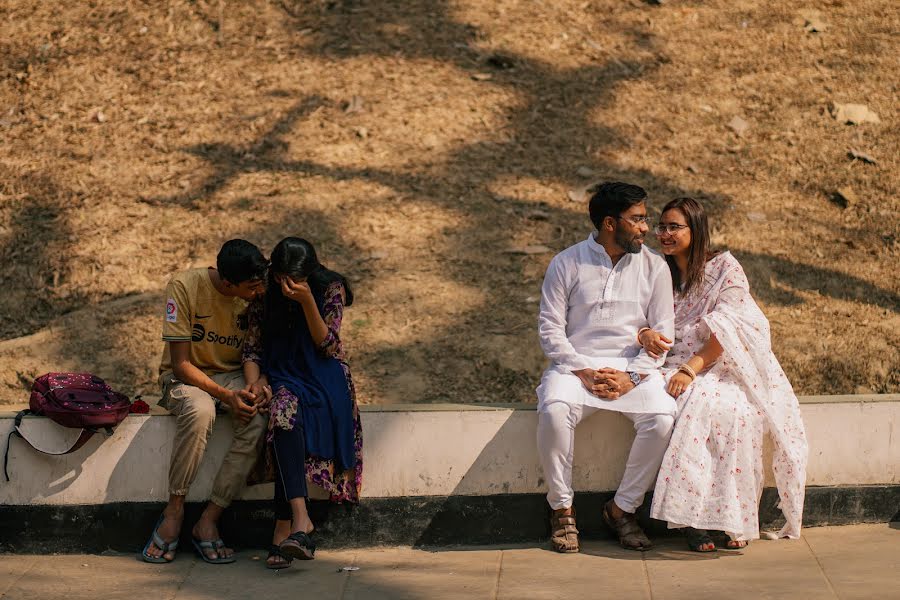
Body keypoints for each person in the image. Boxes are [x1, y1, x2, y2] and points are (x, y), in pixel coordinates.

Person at [640, 197, 808, 551]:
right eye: (662, 227)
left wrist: (691, 369)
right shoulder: (656, 270)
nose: (665, 234)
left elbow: (730, 328)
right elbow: (635, 316)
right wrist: (646, 335)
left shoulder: (724, 268)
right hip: (669, 362)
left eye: (674, 227)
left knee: (737, 413)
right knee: (697, 409)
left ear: (696, 229)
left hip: (716, 362)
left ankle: (730, 517)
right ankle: (694, 521)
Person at [536, 182, 677, 552]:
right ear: (610, 224)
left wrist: (632, 377)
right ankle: (562, 510)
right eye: (639, 220)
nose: (647, 228)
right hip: (575, 368)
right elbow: (550, 331)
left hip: (632, 369)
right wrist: (582, 370)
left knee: (662, 417)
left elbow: (663, 334)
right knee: (554, 411)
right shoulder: (566, 262)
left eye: (646, 219)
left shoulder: (654, 267)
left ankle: (621, 509)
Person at [143, 239, 270, 564]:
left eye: (260, 284)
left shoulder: (258, 293)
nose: (258, 292)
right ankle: (174, 511)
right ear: (228, 283)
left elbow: (264, 351)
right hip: (185, 377)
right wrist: (225, 395)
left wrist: (257, 385)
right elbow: (182, 364)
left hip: (234, 375)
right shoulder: (185, 286)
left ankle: (209, 519)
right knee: (200, 412)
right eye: (251, 287)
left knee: (256, 417)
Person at [242, 237, 362, 569]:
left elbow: (328, 345)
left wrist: (308, 301)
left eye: (296, 279)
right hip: (283, 375)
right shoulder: (266, 295)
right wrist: (255, 382)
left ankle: (284, 528)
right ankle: (300, 520)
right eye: (281, 278)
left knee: (298, 421)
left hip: (324, 375)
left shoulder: (329, 288)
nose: (287, 285)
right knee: (283, 417)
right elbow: (252, 349)